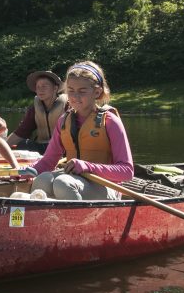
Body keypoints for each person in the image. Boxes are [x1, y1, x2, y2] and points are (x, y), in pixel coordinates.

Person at [20, 61, 133, 200]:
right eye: (71, 91)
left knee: (63, 183)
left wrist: (88, 166)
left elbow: (127, 172)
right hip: (75, 180)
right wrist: (27, 171)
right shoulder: (64, 120)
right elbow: (49, 160)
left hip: (107, 186)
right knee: (42, 179)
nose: (74, 97)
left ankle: (77, 220)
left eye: (82, 91)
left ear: (97, 92)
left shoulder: (110, 121)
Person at [6, 70, 68, 154]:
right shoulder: (34, 109)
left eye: (44, 86)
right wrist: (3, 146)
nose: (40, 90)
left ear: (55, 88)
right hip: (43, 147)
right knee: (23, 144)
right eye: (38, 87)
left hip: (63, 148)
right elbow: (21, 132)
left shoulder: (67, 106)